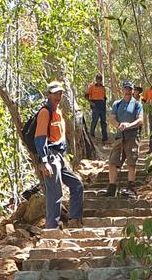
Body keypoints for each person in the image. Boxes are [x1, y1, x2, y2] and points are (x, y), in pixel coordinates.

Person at [34, 81, 84, 229]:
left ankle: (74, 219)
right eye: (55, 93)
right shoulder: (45, 113)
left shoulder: (58, 112)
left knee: (77, 185)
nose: (58, 96)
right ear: (48, 94)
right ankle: (51, 227)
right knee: (55, 192)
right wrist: (44, 162)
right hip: (50, 156)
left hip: (60, 156)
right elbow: (39, 139)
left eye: (60, 93)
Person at [106, 81, 144, 199]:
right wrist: (119, 125)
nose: (127, 91)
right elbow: (111, 119)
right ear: (122, 90)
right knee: (113, 161)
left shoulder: (137, 105)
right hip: (119, 136)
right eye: (125, 89)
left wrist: (129, 125)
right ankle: (112, 187)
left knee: (131, 162)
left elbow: (140, 120)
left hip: (132, 136)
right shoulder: (117, 104)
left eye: (129, 89)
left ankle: (130, 187)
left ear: (133, 91)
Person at [85, 73, 108, 143]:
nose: (99, 80)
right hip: (95, 104)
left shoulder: (103, 88)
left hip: (102, 105)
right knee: (94, 120)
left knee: (103, 121)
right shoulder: (92, 87)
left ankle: (105, 137)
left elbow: (104, 97)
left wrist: (104, 104)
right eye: (98, 79)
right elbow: (86, 95)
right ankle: (92, 135)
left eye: (100, 79)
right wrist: (91, 103)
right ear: (96, 79)